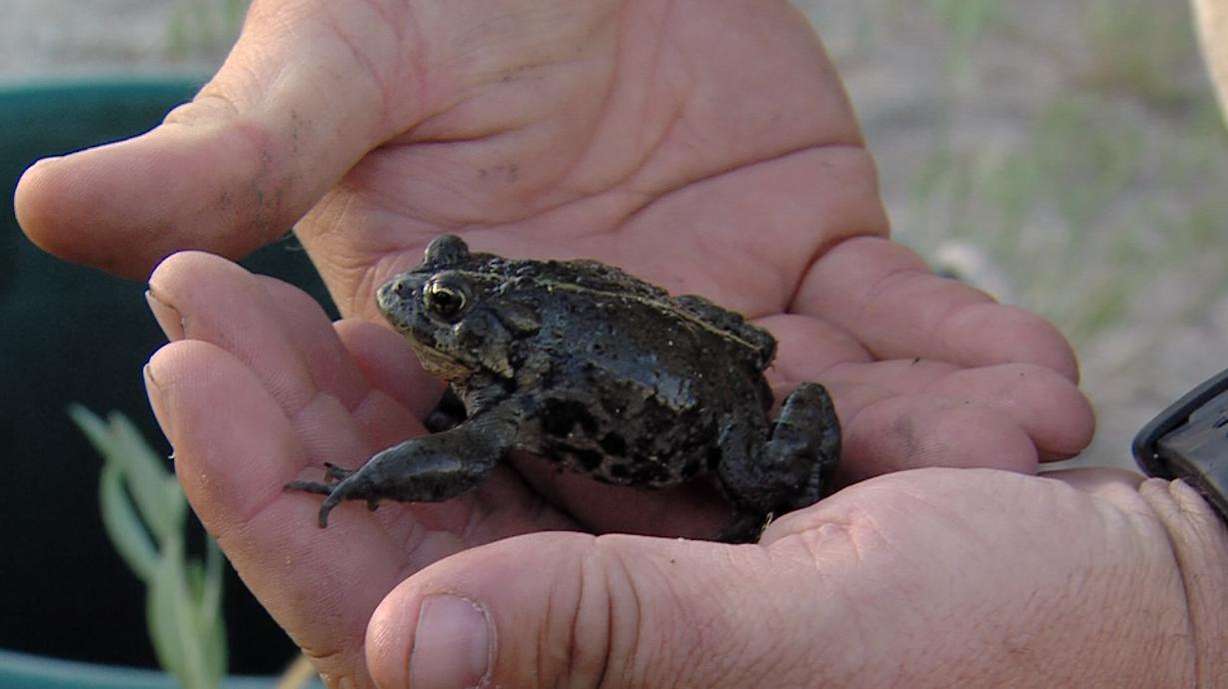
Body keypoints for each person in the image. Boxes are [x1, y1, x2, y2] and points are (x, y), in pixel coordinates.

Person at [14, 2, 1226, 687]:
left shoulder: (507, 387)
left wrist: (360, 481)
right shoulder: (502, 352)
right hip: (677, 336)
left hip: (713, 409)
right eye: (441, 293)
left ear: (482, 338)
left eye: (443, 312)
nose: (421, 303)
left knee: (751, 478)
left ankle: (775, 487)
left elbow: (453, 459)